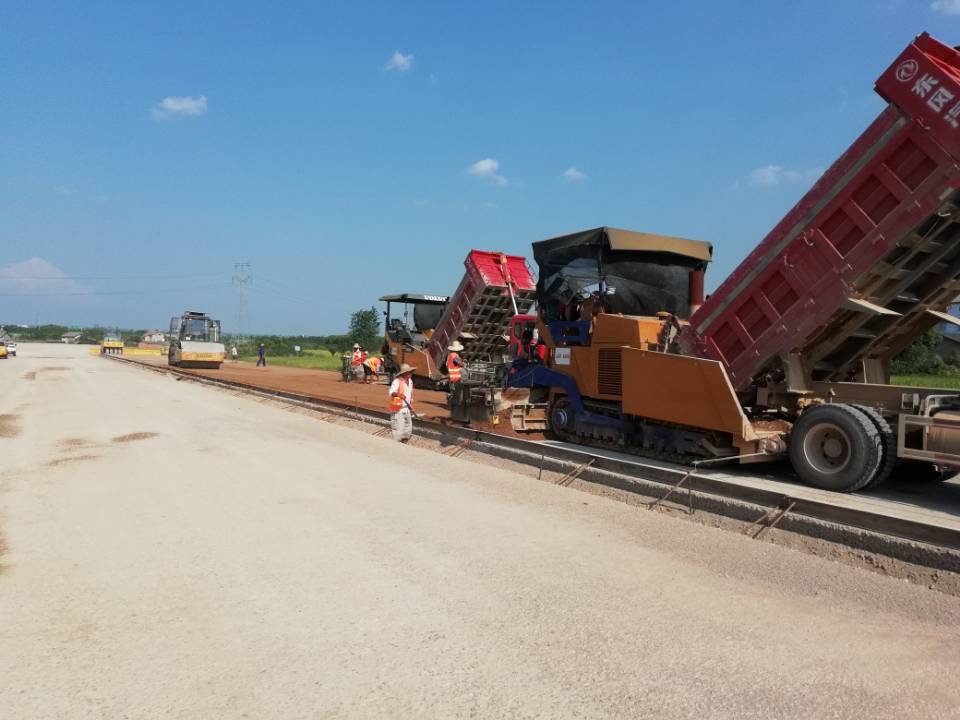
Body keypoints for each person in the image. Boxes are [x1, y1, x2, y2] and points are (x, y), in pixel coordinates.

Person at [388, 363, 416, 443]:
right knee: (398, 428)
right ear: (404, 373)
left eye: (411, 372)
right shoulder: (397, 381)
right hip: (398, 409)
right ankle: (397, 444)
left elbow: (410, 394)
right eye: (409, 372)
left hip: (406, 408)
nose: (410, 373)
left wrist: (410, 406)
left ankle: (404, 442)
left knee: (408, 427)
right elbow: (391, 392)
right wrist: (398, 394)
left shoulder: (410, 381)